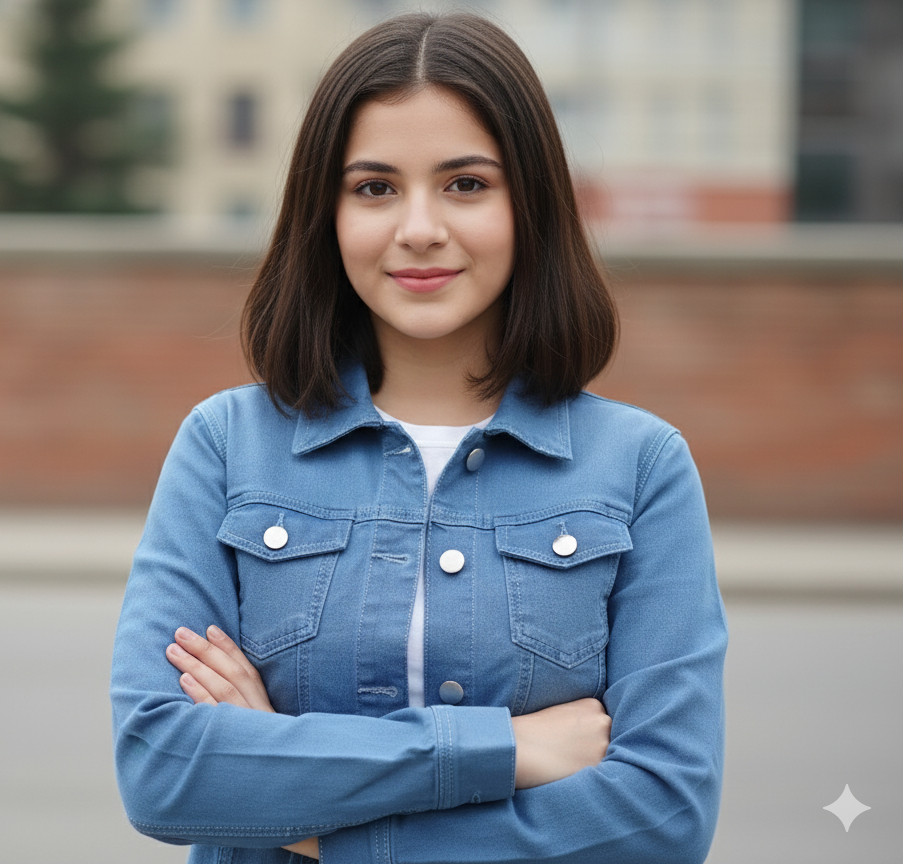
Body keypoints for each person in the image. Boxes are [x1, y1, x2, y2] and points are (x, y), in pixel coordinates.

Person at [111, 12, 727, 863]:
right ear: (324, 212)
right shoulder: (227, 446)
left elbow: (663, 817)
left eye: (466, 184)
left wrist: (315, 829)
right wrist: (508, 750)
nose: (419, 229)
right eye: (375, 188)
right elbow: (165, 772)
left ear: (531, 204)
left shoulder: (640, 466)